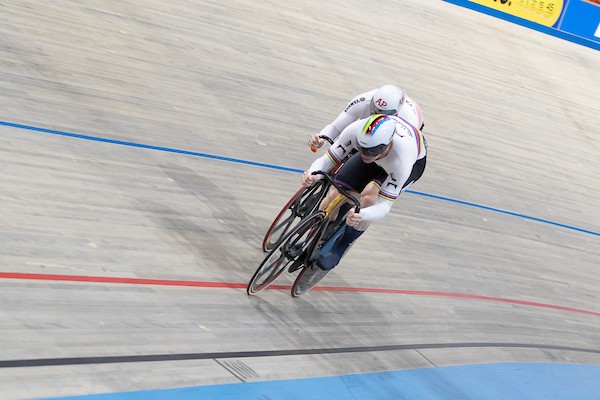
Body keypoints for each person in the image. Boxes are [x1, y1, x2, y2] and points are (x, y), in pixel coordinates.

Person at [301, 114, 427, 270]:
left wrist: (363, 215)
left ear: (387, 144)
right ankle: (318, 231)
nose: (366, 154)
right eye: (362, 149)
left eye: (371, 151)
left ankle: (339, 248)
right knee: (335, 192)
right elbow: (328, 160)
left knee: (369, 196)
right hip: (383, 155)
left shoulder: (402, 161)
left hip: (411, 163)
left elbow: (384, 206)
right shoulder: (355, 131)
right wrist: (313, 173)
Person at [308, 84, 424, 151]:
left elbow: (404, 154)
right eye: (375, 108)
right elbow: (336, 126)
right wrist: (322, 138)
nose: (377, 114)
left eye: (383, 112)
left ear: (395, 113)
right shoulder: (364, 100)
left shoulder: (409, 120)